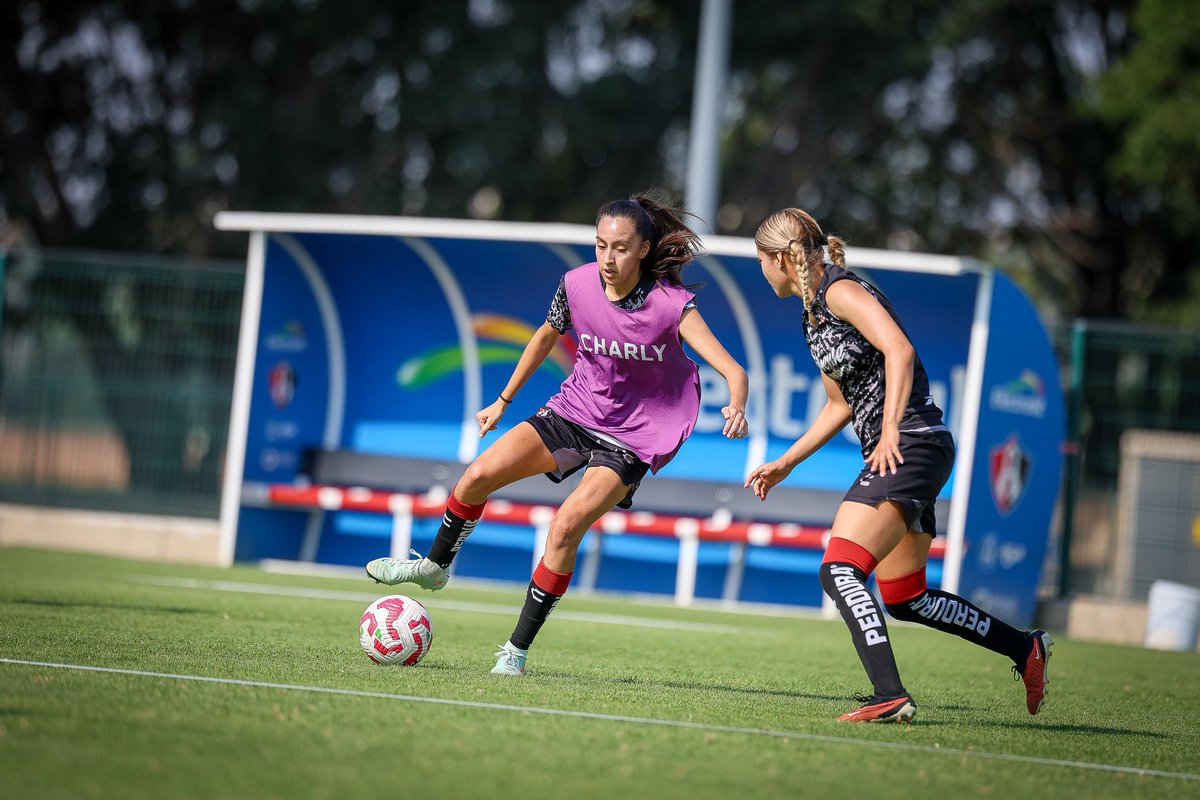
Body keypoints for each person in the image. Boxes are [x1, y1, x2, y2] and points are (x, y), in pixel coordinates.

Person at [366, 193, 750, 675]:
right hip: (574, 411)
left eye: (621, 248)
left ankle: (515, 651)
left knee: (566, 526)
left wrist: (736, 404)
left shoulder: (671, 306)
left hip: (633, 436)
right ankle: (435, 567)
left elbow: (734, 371)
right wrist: (502, 401)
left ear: (646, 250)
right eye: (600, 245)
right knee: (478, 475)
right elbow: (546, 336)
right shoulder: (575, 285)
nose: (608, 258)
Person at [745, 208, 1052, 723]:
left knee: (839, 568)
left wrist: (889, 429)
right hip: (911, 448)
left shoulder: (839, 290)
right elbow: (839, 404)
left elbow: (900, 350)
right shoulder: (812, 315)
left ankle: (890, 694)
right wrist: (786, 463)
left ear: (778, 258)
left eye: (760, 260)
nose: (761, 270)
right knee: (906, 597)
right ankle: (1025, 649)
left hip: (911, 442)